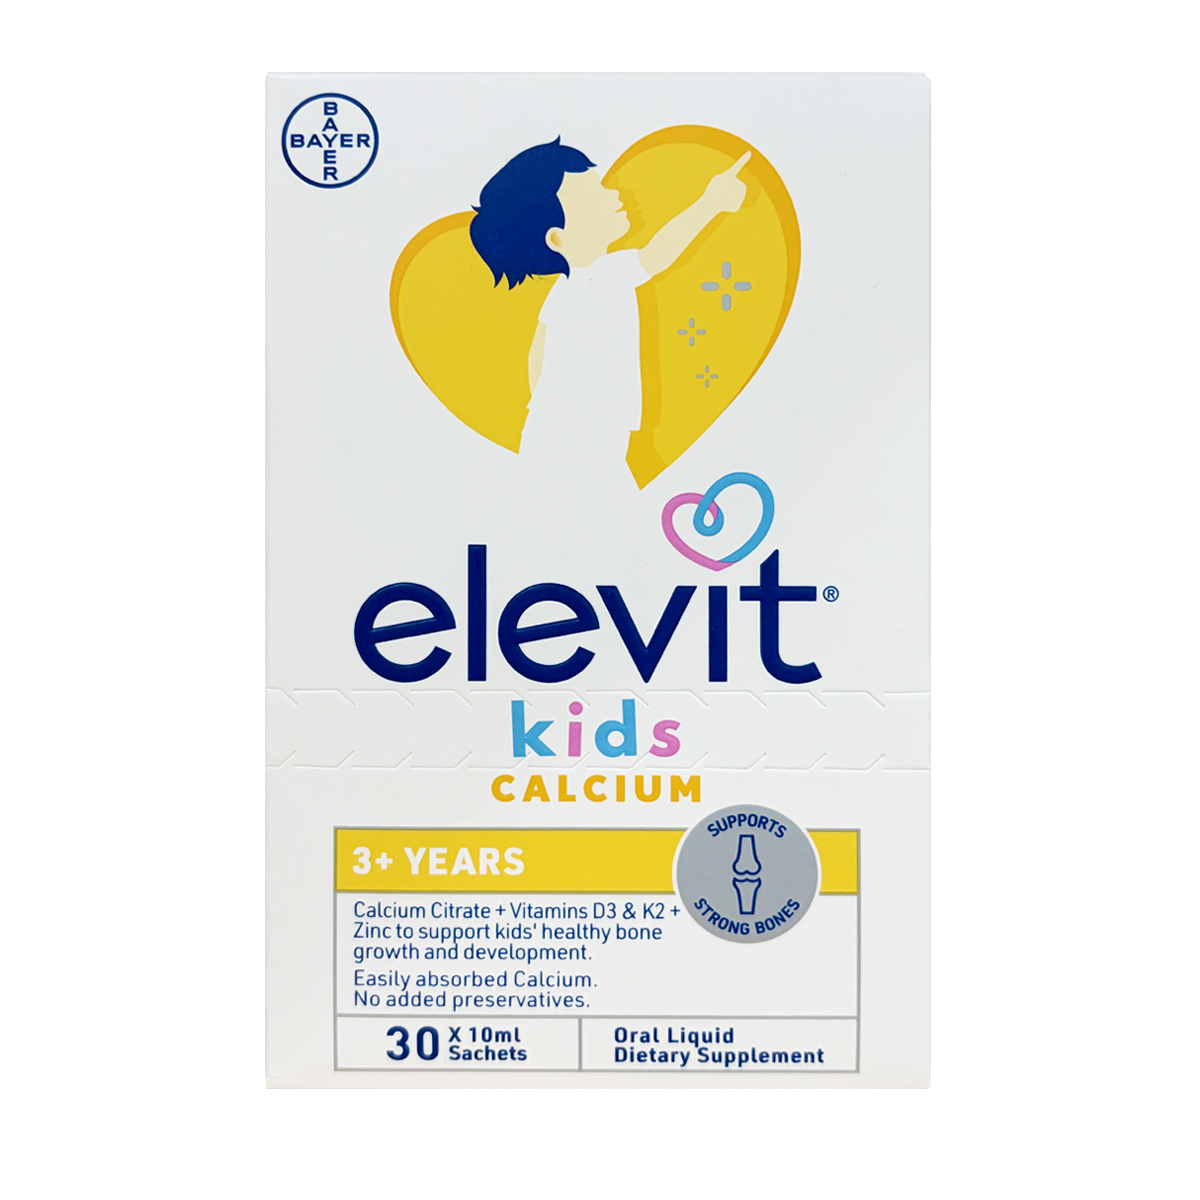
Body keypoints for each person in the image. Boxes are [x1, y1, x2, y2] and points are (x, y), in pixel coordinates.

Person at [469, 138, 750, 494]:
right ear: (557, 238)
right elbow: (659, 253)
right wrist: (710, 203)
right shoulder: (604, 275)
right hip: (586, 435)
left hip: (559, 430)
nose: (615, 194)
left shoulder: (563, 292)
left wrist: (545, 407)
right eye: (595, 194)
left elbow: (536, 356)